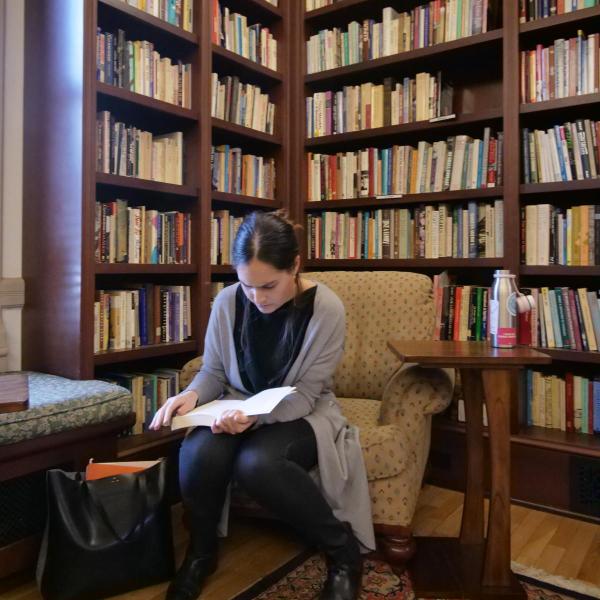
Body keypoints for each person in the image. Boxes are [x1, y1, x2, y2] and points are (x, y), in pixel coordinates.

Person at [150, 210, 374, 600]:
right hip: (234, 403)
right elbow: (214, 371)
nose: (257, 298)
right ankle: (202, 554)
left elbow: (305, 394)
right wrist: (192, 396)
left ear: (296, 266)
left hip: (301, 409)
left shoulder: (327, 310)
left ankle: (343, 554)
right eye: (247, 286)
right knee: (197, 454)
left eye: (269, 285)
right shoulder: (226, 302)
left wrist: (251, 420)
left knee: (258, 464)